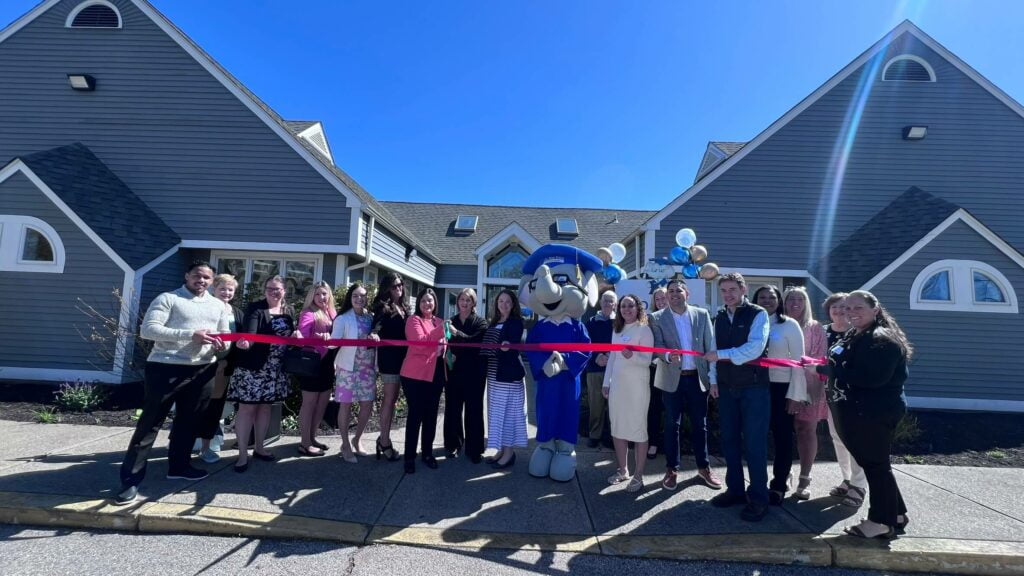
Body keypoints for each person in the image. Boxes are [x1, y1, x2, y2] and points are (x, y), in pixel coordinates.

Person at [114, 261, 230, 505]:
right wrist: (191, 334)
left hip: (202, 369)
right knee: (150, 424)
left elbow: (223, 337)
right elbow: (149, 330)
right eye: (197, 275)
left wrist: (222, 345)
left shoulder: (218, 305)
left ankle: (179, 466)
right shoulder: (168, 298)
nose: (202, 280)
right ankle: (130, 481)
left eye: (207, 278)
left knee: (189, 422)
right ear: (187, 275)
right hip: (165, 368)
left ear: (212, 281)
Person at [822, 290, 911, 539]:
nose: (851, 313)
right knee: (877, 465)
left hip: (874, 412)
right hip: (858, 410)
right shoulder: (857, 334)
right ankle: (896, 514)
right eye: (848, 308)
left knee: (876, 466)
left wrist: (829, 371)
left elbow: (872, 379)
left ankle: (880, 521)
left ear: (875, 309)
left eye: (858, 308)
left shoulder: (881, 338)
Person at [705, 273, 771, 522]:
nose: (728, 294)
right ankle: (735, 491)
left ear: (743, 289)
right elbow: (712, 350)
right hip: (725, 387)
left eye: (733, 289)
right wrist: (713, 381)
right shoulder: (719, 317)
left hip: (754, 388)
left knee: (755, 445)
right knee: (730, 441)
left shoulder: (758, 314)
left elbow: (755, 347)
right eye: (724, 290)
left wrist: (721, 355)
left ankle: (758, 498)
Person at [650, 279, 721, 491]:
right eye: (670, 291)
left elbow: (711, 348)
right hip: (672, 379)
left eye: (678, 290)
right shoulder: (656, 318)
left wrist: (713, 379)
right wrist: (666, 355)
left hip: (697, 379)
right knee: (672, 425)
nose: (674, 294)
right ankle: (672, 469)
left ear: (686, 293)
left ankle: (704, 467)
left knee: (700, 426)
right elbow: (657, 347)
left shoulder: (702, 315)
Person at [228, 275, 295, 473]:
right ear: (264, 291)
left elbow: (289, 336)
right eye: (269, 289)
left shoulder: (288, 310)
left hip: (276, 369)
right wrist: (246, 343)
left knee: (265, 408)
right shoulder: (256, 308)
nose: (273, 292)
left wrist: (296, 336)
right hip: (254, 368)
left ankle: (259, 447)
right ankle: (242, 454)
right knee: (247, 410)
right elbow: (250, 332)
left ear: (284, 291)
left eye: (277, 289)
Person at [752, 285, 808, 505]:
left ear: (779, 301)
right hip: (755, 387)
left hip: (781, 388)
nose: (767, 300)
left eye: (771, 297)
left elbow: (798, 362)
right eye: (762, 297)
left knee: (782, 437)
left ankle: (779, 483)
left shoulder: (789, 325)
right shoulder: (751, 323)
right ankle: (757, 483)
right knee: (756, 436)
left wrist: (795, 394)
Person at [602, 294, 654, 492]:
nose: (626, 309)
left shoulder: (644, 330)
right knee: (618, 427)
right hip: (618, 388)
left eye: (630, 306)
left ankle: (638, 475)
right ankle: (623, 470)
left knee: (638, 429)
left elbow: (647, 361)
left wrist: (632, 356)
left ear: (637, 308)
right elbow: (613, 359)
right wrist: (607, 383)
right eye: (623, 306)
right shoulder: (617, 330)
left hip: (637, 388)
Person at [821, 292, 867, 507]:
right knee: (837, 437)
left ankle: (859, 485)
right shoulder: (823, 332)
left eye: (843, 307)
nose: (839, 312)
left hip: (854, 398)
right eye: (834, 308)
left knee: (856, 440)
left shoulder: (858, 334)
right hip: (831, 395)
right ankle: (847, 479)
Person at [783, 286, 829, 500]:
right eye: (790, 299)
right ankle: (783, 472)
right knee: (782, 431)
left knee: (806, 430)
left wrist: (813, 392)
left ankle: (805, 477)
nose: (795, 303)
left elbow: (820, 361)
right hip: (781, 386)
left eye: (800, 299)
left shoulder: (815, 328)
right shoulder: (777, 325)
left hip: (808, 386)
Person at [194, 273, 245, 464]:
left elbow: (239, 340)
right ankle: (183, 444)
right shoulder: (204, 308)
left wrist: (227, 362)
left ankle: (206, 448)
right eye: (222, 288)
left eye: (230, 289)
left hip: (224, 368)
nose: (226, 292)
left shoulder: (237, 312)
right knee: (195, 407)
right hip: (203, 365)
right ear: (213, 289)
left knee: (214, 408)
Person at [399, 288, 447, 474]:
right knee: (415, 416)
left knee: (431, 416)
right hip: (415, 376)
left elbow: (443, 344)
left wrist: (443, 348)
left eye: (431, 300)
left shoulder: (439, 321)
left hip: (435, 374)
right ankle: (409, 457)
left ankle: (427, 453)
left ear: (435, 302)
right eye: (424, 301)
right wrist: (440, 334)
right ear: (418, 303)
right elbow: (420, 342)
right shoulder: (413, 321)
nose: (428, 304)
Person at [330, 283, 378, 463]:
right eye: (356, 296)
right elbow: (334, 342)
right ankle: (345, 444)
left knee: (367, 404)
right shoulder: (343, 318)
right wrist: (328, 340)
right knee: (346, 405)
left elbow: (375, 337)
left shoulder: (370, 317)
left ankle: (357, 439)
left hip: (367, 369)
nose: (360, 299)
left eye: (363, 295)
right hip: (348, 369)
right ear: (350, 298)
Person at [480, 289, 527, 469]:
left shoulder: (516, 323)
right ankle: (500, 450)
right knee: (497, 415)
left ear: (513, 304)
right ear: (496, 304)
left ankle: (509, 454)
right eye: (501, 301)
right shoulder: (494, 322)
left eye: (508, 301)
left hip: (508, 377)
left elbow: (515, 342)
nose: (504, 304)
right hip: (494, 376)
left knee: (508, 415)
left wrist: (508, 345)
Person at [444, 288, 489, 462]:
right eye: (461, 299)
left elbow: (474, 342)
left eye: (468, 300)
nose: (464, 303)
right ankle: (453, 444)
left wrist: (457, 333)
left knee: (474, 410)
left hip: (475, 373)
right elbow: (448, 344)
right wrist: (449, 355)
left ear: (473, 303)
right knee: (453, 410)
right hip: (454, 371)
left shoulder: (481, 322)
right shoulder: (451, 321)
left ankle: (474, 449)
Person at [295, 281, 338, 458]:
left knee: (321, 404)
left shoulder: (332, 313)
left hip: (328, 363)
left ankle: (312, 438)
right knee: (309, 404)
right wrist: (316, 338)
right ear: (312, 296)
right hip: (312, 363)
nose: (322, 297)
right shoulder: (308, 313)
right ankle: (304, 443)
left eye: (325, 294)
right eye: (318, 294)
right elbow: (301, 338)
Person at [370, 272, 408, 462]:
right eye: (394, 286)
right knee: (389, 400)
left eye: (400, 284)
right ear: (386, 288)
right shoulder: (382, 308)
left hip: (405, 360)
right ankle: (384, 441)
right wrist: (374, 334)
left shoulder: (404, 306)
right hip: (390, 361)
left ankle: (383, 438)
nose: (398, 288)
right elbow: (376, 327)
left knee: (392, 401)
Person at [584, 290, 617, 448]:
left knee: (614, 405)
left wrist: (610, 357)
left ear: (615, 304)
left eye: (610, 301)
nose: (607, 303)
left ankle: (612, 436)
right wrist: (597, 356)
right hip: (594, 369)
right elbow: (585, 344)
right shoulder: (590, 322)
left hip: (615, 369)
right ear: (600, 302)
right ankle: (594, 435)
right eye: (605, 300)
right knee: (596, 404)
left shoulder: (619, 322)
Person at [645, 287, 668, 460]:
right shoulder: (650, 319)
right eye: (657, 299)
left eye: (663, 298)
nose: (660, 301)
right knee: (654, 407)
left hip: (677, 369)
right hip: (655, 369)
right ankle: (653, 442)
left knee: (672, 409)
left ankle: (670, 443)